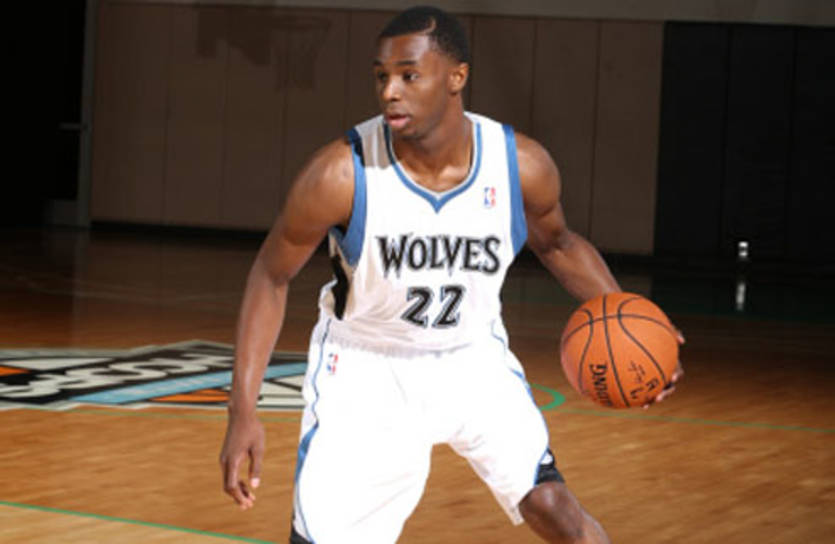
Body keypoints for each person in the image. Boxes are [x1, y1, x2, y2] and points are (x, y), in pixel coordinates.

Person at [220, 6, 681, 543]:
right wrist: (242, 409)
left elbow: (559, 244)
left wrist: (640, 325)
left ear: (456, 77)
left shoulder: (519, 166)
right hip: (369, 370)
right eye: (381, 76)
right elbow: (270, 276)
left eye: (409, 75)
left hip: (472, 358)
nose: (390, 91)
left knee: (556, 508)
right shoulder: (340, 174)